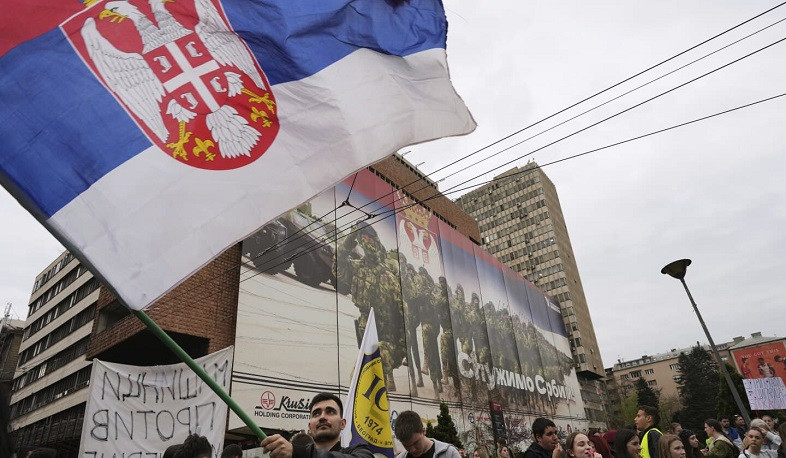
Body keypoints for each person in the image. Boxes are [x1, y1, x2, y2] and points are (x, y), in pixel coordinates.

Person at [261, 392, 374, 458]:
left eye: (330, 411)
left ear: (342, 424)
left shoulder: (360, 452)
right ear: (309, 427)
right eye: (316, 413)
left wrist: (298, 452)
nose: (322, 417)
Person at [393, 410, 461, 458]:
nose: (412, 450)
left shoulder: (449, 453)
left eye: (416, 443)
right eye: (406, 446)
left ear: (423, 431)